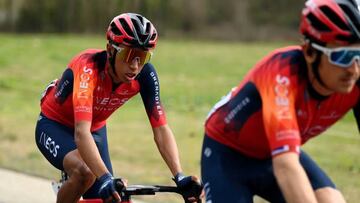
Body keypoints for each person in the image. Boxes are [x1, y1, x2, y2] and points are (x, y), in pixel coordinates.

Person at [201, 0, 360, 202]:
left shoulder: (357, 82)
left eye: (359, 56)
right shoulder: (282, 73)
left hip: (272, 151)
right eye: (343, 56)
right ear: (310, 52)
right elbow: (286, 166)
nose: (353, 69)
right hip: (228, 154)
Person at [35, 13, 202, 203]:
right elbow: (81, 132)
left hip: (94, 128)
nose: (135, 65)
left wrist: (179, 175)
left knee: (113, 197)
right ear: (110, 50)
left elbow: (161, 128)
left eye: (142, 56)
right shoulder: (88, 67)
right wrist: (105, 178)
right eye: (129, 55)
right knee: (85, 173)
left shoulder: (145, 75)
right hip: (55, 125)